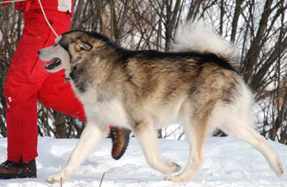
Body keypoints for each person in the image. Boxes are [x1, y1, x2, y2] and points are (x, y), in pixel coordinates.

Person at [0, 0, 131, 179]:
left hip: (47, 16)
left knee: (19, 87)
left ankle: (21, 161)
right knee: (50, 91)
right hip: (42, 15)